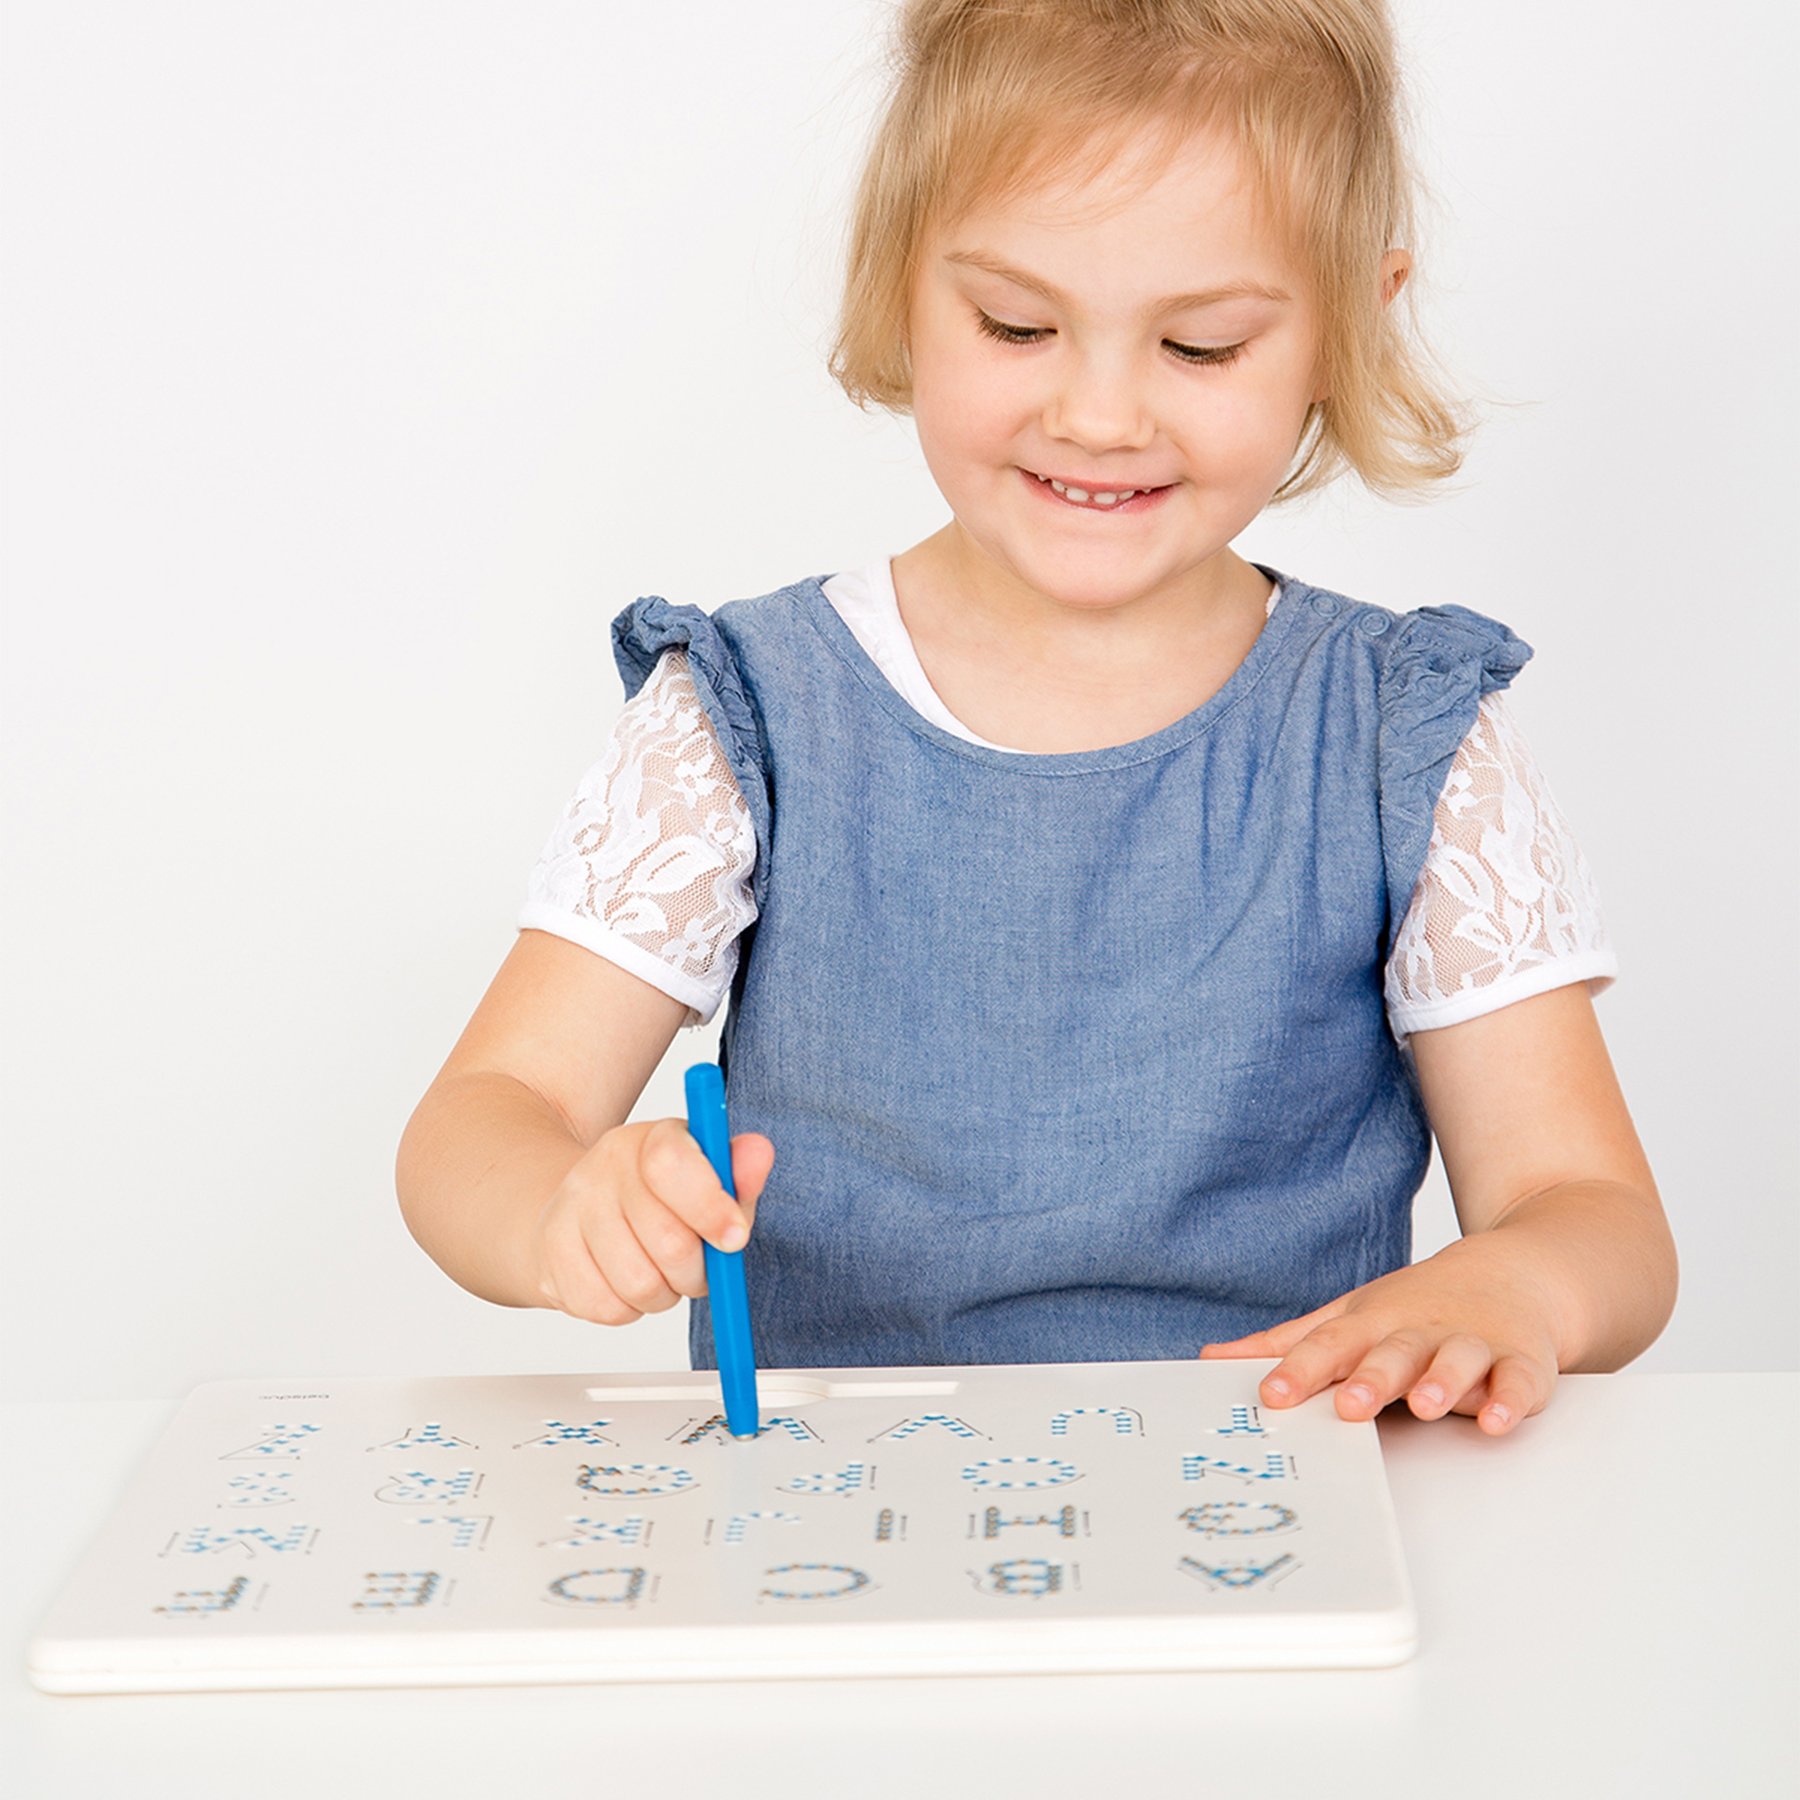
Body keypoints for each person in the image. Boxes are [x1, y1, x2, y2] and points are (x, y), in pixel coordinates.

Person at [396, 0, 1676, 1437]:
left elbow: (1593, 1213)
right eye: (1018, 325)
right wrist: (559, 1204)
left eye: (1201, 345)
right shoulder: (748, 714)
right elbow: (478, 1121)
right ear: (898, 280)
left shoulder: (1401, 735)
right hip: (836, 1515)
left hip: (1272, 1499)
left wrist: (1519, 1284)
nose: (1101, 415)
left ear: (1347, 323)